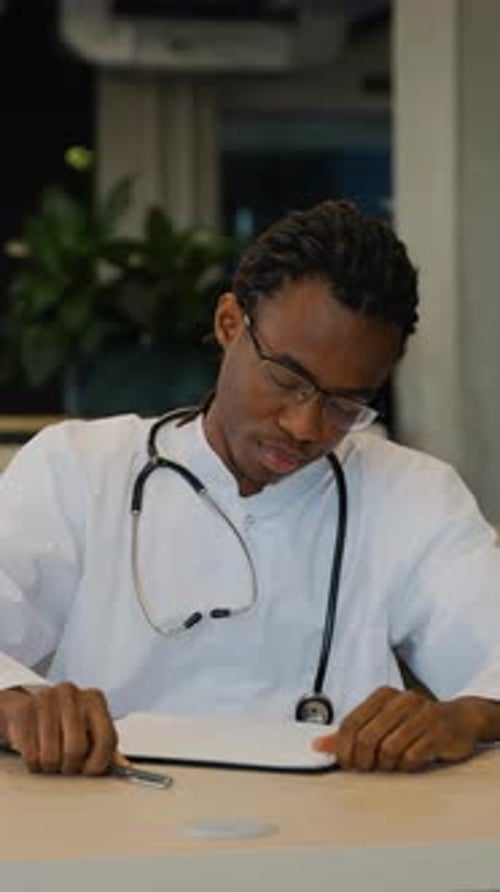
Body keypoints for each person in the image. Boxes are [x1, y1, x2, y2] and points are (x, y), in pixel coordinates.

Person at [1, 199, 500, 777]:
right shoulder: (77, 470)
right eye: (288, 380)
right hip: (107, 835)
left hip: (337, 843)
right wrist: (20, 709)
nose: (305, 427)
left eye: (346, 404)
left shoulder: (413, 495)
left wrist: (464, 717)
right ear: (229, 324)